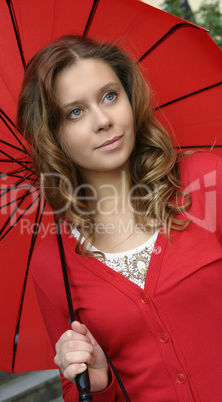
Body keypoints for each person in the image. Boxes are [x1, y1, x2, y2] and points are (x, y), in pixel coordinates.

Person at [17, 35, 222, 401]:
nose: (103, 120)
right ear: (52, 135)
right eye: (75, 112)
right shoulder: (53, 264)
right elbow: (78, 393)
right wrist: (97, 384)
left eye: (110, 96)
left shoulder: (208, 183)